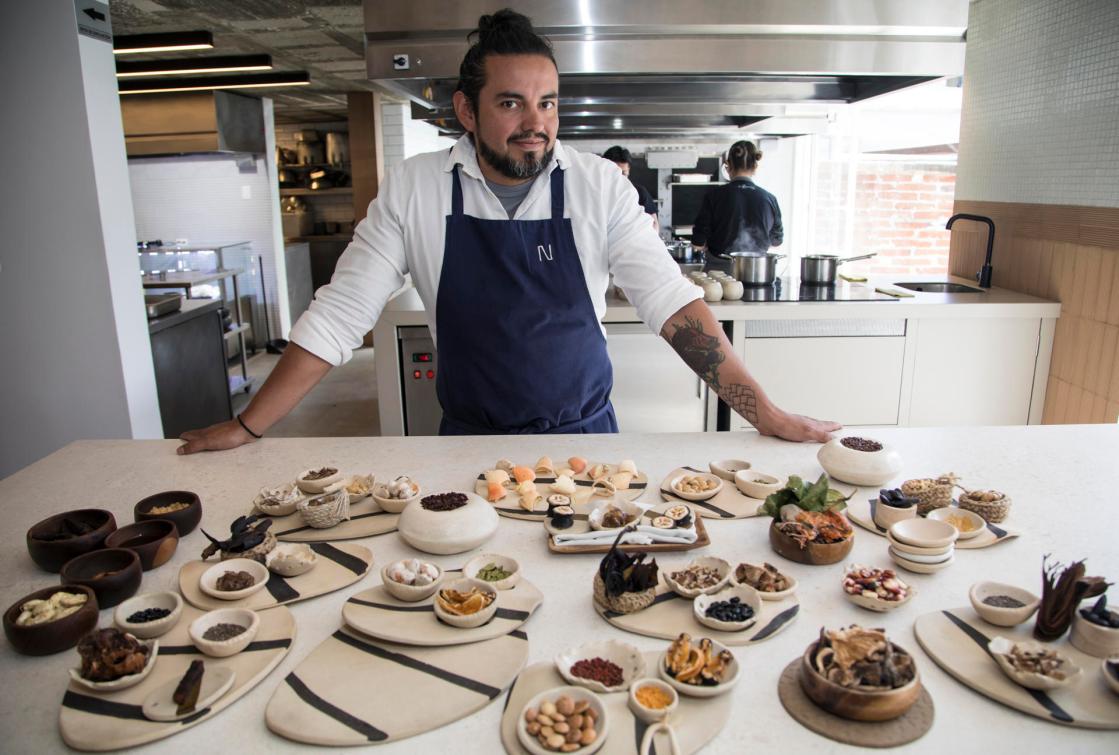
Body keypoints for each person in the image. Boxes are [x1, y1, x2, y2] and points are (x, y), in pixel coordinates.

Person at [178, 9, 837, 453]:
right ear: (466, 110)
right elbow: (339, 315)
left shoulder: (597, 185)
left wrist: (765, 413)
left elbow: (673, 306)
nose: (535, 123)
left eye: (547, 102)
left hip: (586, 446)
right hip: (470, 447)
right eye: (511, 103)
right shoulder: (416, 188)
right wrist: (249, 425)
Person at [691, 140, 783, 272]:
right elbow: (776, 241)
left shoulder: (714, 196)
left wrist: (704, 244)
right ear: (755, 166)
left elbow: (698, 242)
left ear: (728, 166)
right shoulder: (769, 199)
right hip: (758, 272)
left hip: (719, 272)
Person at [602, 145, 659, 229]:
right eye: (615, 173)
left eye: (623, 173)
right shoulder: (598, 194)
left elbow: (654, 225)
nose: (620, 178)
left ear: (628, 170)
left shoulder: (640, 192)